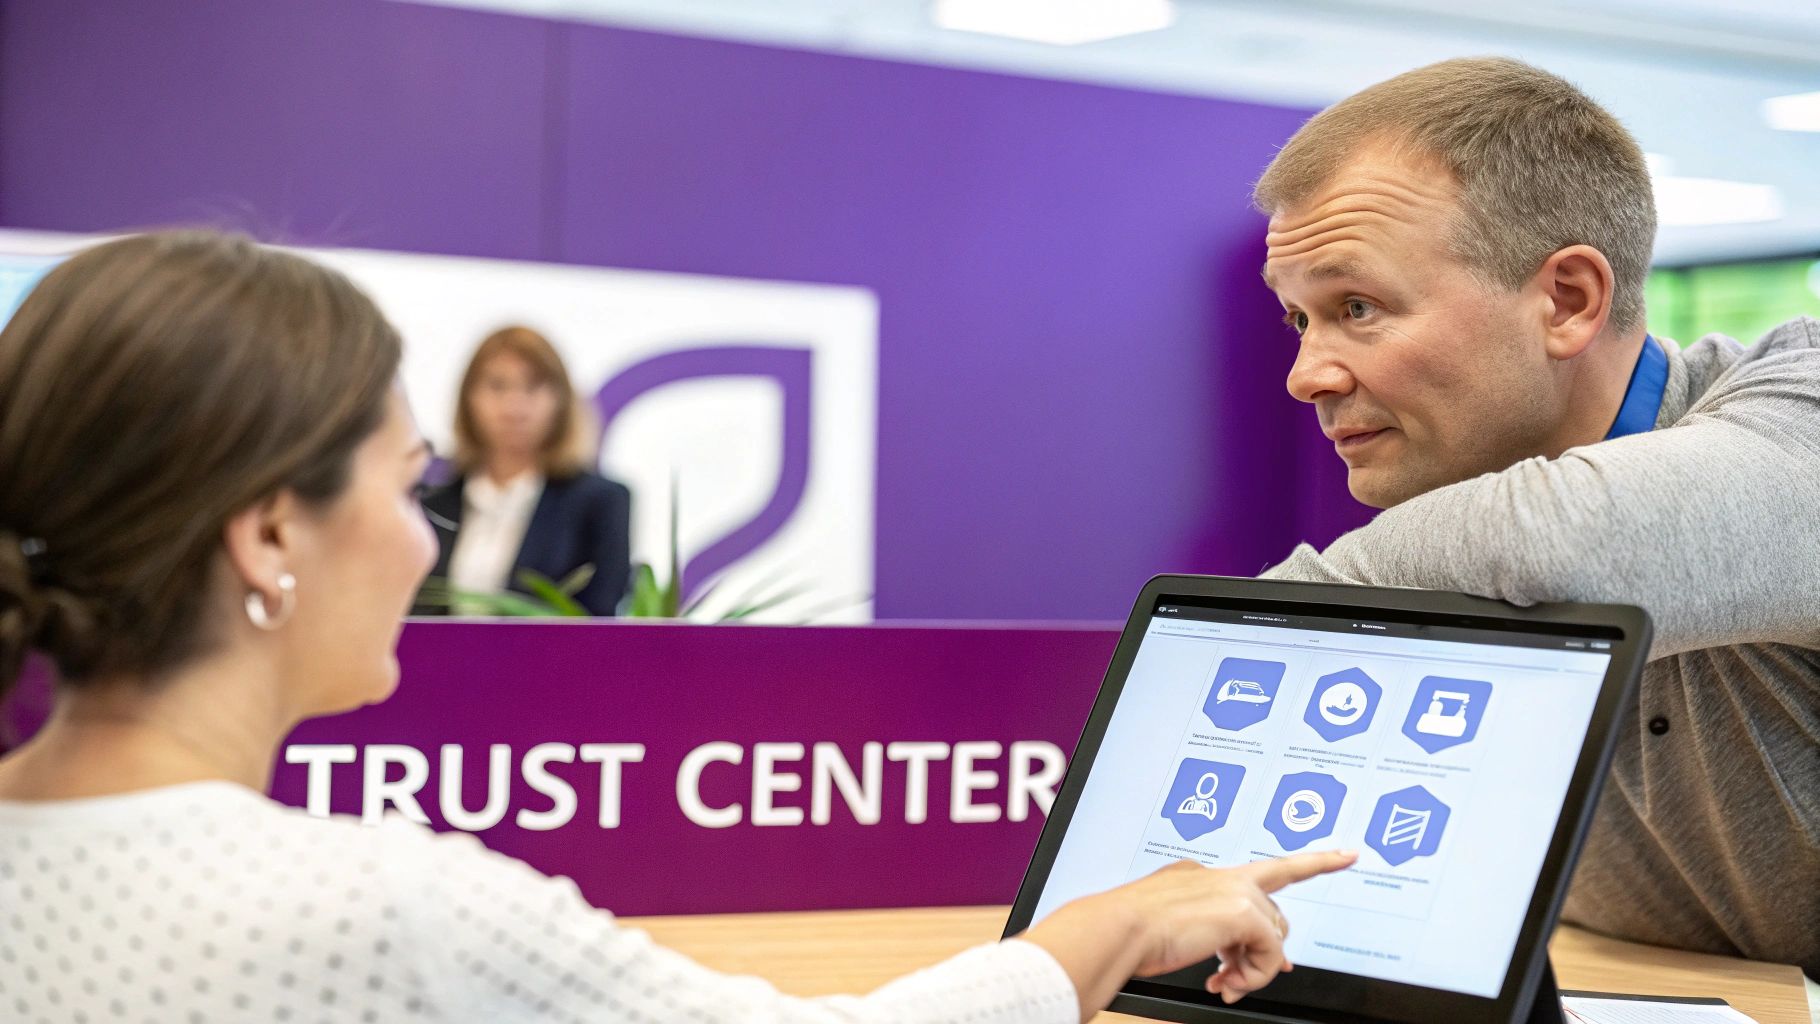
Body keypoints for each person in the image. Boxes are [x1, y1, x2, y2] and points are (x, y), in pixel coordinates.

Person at [0, 231, 1356, 1021]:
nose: (422, 538)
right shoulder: (382, 909)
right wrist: (1121, 922)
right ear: (269, 536)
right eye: (407, 485)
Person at [1251, 57, 1820, 977]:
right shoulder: (1449, 533)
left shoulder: (1801, 406)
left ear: (1566, 302)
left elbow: (1561, 541)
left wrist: (1247, 629)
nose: (1307, 375)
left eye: (1358, 306)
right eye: (1299, 320)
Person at [415, 326, 631, 616]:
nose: (513, 407)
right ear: (468, 398)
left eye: (532, 387)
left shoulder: (598, 503)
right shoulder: (430, 506)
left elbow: (598, 616)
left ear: (560, 399)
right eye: (497, 386)